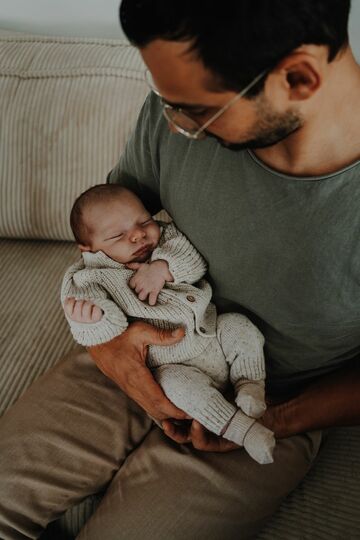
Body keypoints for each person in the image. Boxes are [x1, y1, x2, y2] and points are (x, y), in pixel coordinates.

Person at [0, 1, 359, 539]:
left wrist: (278, 421)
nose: (171, 123)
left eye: (192, 111)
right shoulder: (174, 107)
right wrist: (111, 348)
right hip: (135, 342)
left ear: (298, 77)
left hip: (268, 401)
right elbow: (105, 236)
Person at [61, 184, 275, 464]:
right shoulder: (87, 280)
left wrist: (163, 269)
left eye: (144, 221)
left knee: (238, 326)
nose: (138, 234)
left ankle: (250, 386)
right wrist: (92, 319)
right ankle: (244, 430)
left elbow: (193, 258)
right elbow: (107, 334)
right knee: (178, 387)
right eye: (118, 236)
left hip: (212, 333)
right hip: (170, 366)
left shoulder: (165, 240)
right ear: (87, 248)